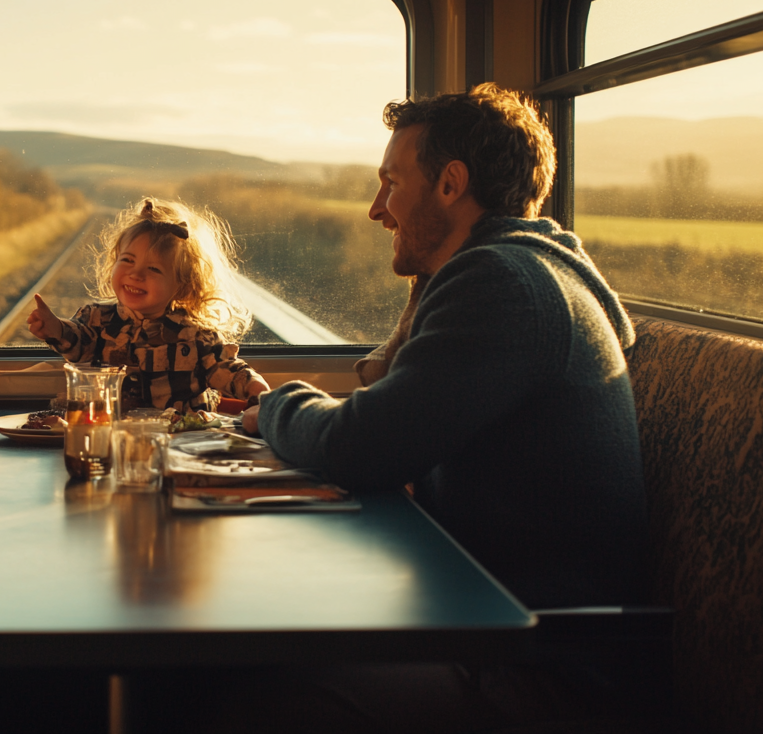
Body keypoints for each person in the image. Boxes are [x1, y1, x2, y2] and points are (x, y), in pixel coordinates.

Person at [244, 83, 646, 612]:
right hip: (482, 597)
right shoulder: (531, 268)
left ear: (451, 184)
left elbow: (358, 447)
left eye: (390, 183)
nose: (376, 209)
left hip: (529, 645)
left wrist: (275, 404)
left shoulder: (503, 284)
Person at [27, 198, 268, 414]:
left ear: (182, 285)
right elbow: (79, 341)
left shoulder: (196, 336)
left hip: (180, 443)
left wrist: (254, 386)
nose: (135, 274)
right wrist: (55, 329)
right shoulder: (97, 319)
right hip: (111, 438)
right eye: (127, 260)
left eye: (153, 269)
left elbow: (225, 368)